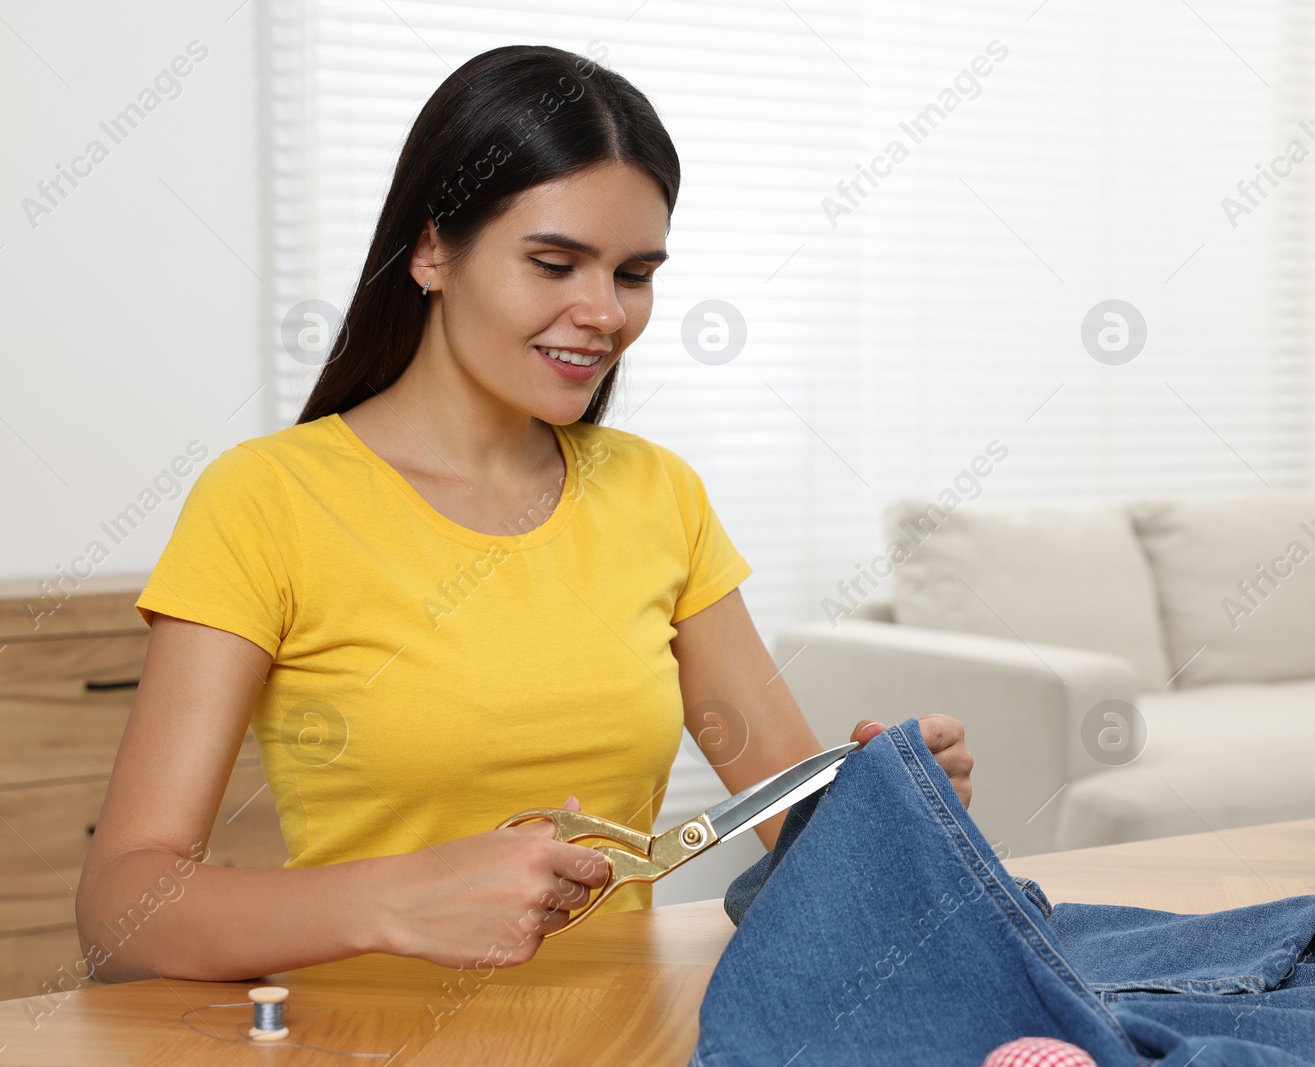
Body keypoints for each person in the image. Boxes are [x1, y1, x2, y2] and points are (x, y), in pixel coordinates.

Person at [74, 43, 974, 984]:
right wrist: (395, 898)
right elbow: (121, 910)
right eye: (554, 263)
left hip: (633, 1038)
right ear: (431, 250)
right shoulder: (266, 500)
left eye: (633, 274)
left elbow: (795, 825)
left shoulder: (657, 493)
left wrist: (889, 813)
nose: (603, 313)